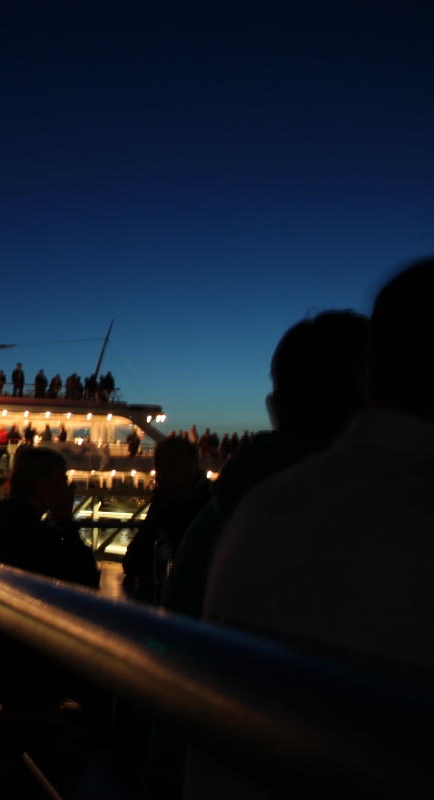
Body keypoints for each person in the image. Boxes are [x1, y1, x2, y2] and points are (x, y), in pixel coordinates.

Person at [144, 309, 372, 799]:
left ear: (276, 406)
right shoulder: (367, 509)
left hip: (198, 762)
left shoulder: (232, 508)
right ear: (368, 396)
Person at [0, 448, 100, 773]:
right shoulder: (29, 529)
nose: (67, 487)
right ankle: (30, 764)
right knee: (78, 678)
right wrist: (66, 520)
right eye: (61, 480)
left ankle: (9, 754)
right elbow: (84, 579)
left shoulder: (2, 515)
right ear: (43, 486)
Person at [121, 437, 210, 602]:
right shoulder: (168, 499)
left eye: (172, 467)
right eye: (159, 470)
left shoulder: (209, 508)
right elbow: (132, 562)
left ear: (192, 469)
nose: (162, 476)